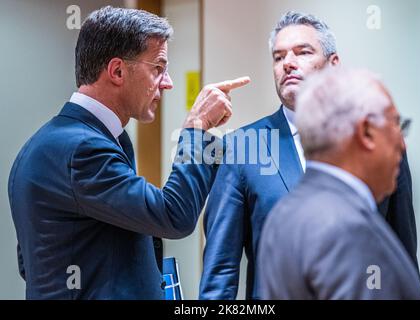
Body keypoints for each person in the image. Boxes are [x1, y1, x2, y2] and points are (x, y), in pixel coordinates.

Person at [8, 6, 249, 299]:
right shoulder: (82, 149)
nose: (168, 83)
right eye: (158, 69)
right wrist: (196, 129)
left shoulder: (50, 143)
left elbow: (31, 264)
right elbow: (174, 215)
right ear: (118, 71)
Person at [199, 11, 418, 300]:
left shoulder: (375, 141)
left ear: (333, 65)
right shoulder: (243, 147)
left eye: (302, 52)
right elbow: (220, 273)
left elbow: (401, 252)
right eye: (278, 57)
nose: (287, 64)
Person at [258, 67, 420, 299]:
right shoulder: (346, 227)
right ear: (366, 132)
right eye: (395, 124)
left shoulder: (286, 212)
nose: (402, 143)